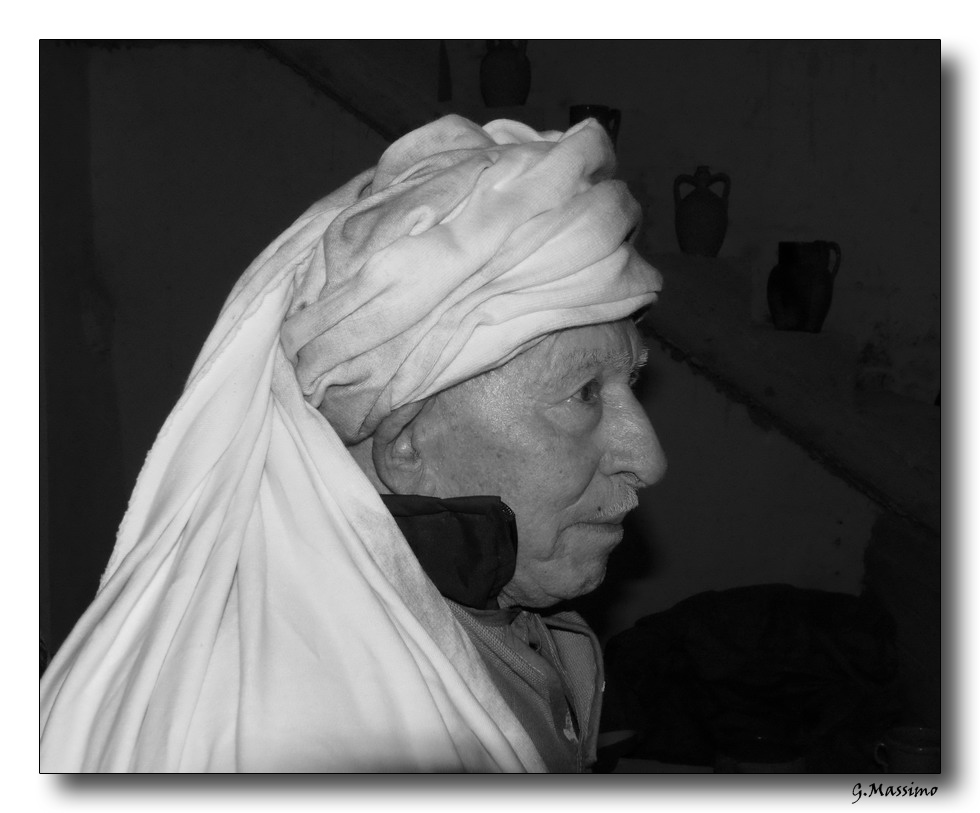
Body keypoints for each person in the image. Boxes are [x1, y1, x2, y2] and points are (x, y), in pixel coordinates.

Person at [39, 114, 666, 772]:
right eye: (584, 393)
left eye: (630, 383)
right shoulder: (289, 739)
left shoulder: (508, 615)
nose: (648, 459)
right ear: (408, 445)